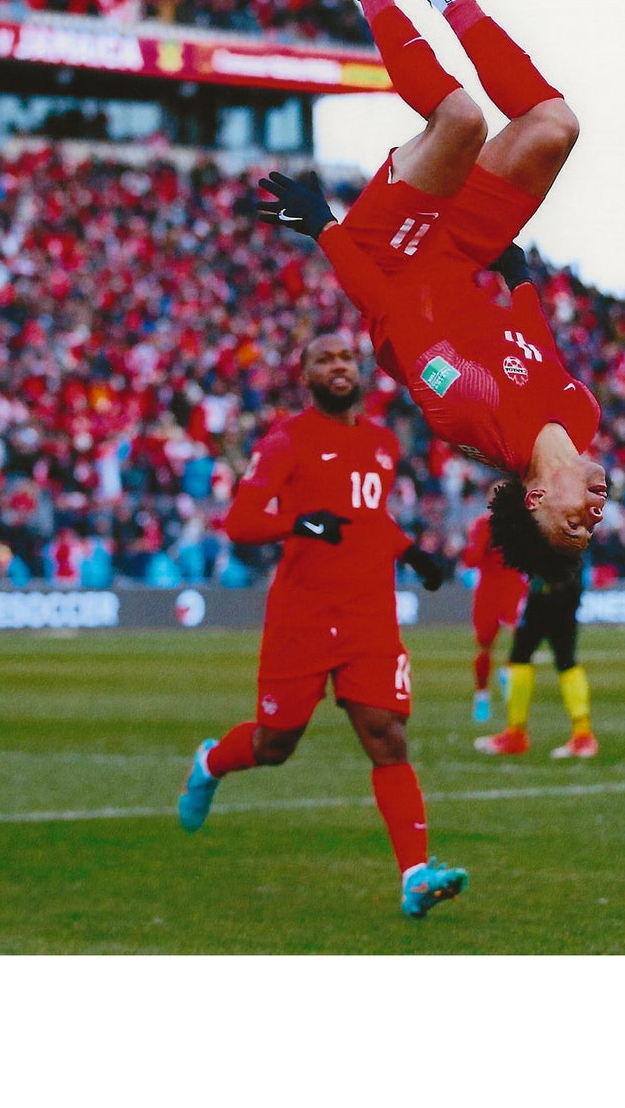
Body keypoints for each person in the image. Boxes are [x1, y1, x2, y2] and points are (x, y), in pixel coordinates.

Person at [256, 0, 605, 585]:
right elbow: (537, 347)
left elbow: (386, 311)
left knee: (460, 123)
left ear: (534, 497)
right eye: (589, 527)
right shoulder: (582, 417)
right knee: (552, 127)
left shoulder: (468, 414)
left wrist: (324, 226)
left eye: (571, 523)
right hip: (464, 254)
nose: (592, 516)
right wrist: (521, 279)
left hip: (393, 254)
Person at [176, 333, 465, 920]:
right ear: (305, 377)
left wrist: (411, 554)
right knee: (275, 744)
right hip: (302, 618)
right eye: (324, 360)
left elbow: (369, 517)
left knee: (386, 736)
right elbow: (241, 521)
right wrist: (302, 525)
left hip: (368, 615)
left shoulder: (383, 444)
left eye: (345, 359)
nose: (338, 366)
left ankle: (415, 876)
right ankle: (210, 762)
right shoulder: (286, 443)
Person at [475, 571, 597, 760]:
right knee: (549, 657)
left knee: (531, 656)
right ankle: (580, 734)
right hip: (558, 586)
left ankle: (519, 733)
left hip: (552, 587)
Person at [460, 502, 528, 723]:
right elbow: (472, 559)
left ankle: (508, 671)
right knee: (485, 645)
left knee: (523, 637)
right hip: (489, 590)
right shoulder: (483, 525)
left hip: (513, 587)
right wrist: (480, 544)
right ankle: (482, 694)